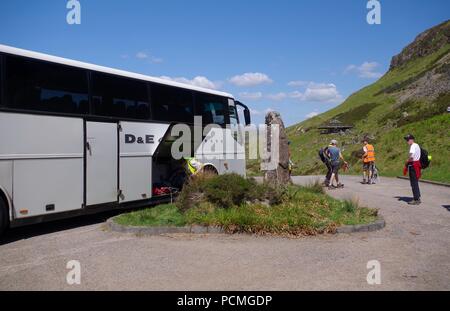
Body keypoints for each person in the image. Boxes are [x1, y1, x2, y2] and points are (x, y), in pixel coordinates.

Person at [403, 134, 422, 205]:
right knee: (415, 182)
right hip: (416, 165)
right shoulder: (417, 145)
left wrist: (407, 160)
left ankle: (416, 199)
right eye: (406, 140)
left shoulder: (413, 146)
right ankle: (417, 196)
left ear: (412, 139)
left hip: (413, 165)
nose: (407, 141)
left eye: (408, 140)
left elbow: (411, 156)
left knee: (413, 183)